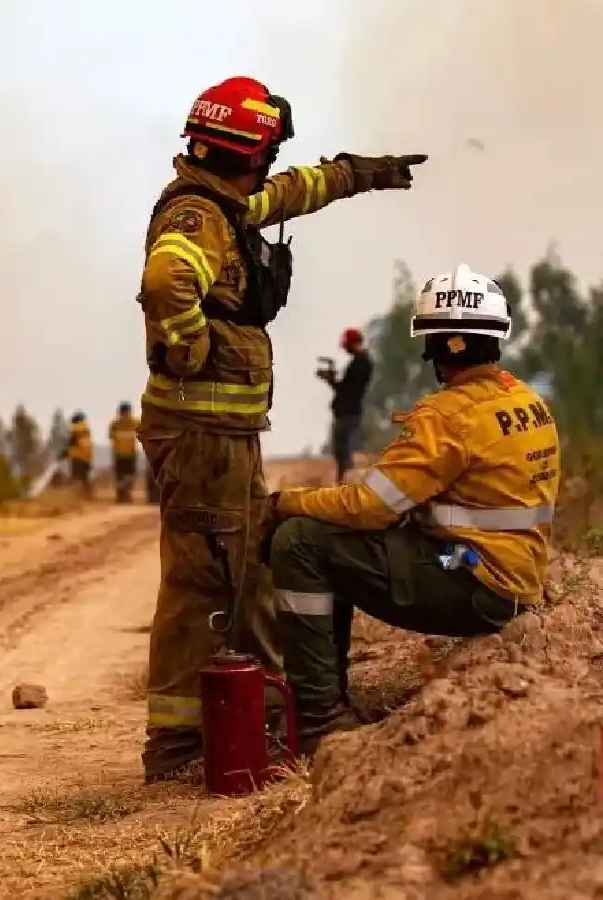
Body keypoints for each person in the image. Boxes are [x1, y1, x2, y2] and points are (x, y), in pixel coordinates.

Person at [135, 73, 427, 782]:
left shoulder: (229, 202)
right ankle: (179, 745)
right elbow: (165, 281)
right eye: (267, 152)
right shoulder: (199, 219)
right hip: (203, 430)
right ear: (247, 150)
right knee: (205, 582)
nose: (270, 165)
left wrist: (360, 175)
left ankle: (239, 716)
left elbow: (294, 191)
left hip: (221, 432)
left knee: (237, 573)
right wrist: (192, 347)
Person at [267, 264, 559, 756]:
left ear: (443, 348)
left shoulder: (447, 416)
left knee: (301, 541)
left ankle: (319, 722)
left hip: (467, 572)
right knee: (336, 538)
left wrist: (283, 503)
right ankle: (325, 701)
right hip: (512, 575)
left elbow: (369, 505)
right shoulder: (528, 401)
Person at [317, 327, 374, 483]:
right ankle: (343, 481)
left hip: (349, 412)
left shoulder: (360, 363)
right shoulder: (360, 362)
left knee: (343, 449)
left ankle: (347, 482)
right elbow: (346, 388)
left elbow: (346, 390)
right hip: (349, 411)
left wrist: (330, 379)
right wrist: (332, 379)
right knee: (342, 448)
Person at [109, 402, 140, 503]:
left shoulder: (114, 424)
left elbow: (110, 436)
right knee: (129, 475)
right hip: (130, 454)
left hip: (118, 454)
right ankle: (126, 494)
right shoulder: (135, 422)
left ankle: (121, 495)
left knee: (120, 476)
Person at [62, 411, 94, 498]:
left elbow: (71, 442)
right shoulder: (86, 429)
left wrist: (64, 452)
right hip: (87, 456)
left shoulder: (75, 429)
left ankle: (77, 495)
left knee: (76, 477)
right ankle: (88, 494)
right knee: (84, 477)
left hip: (77, 456)